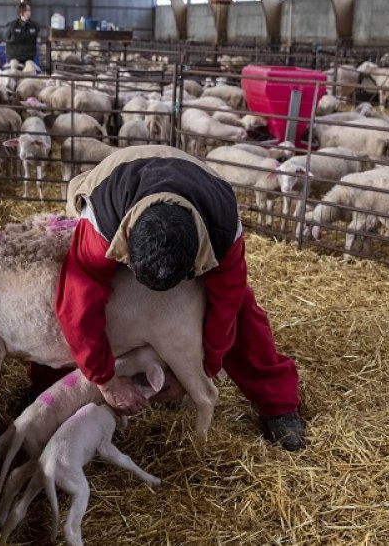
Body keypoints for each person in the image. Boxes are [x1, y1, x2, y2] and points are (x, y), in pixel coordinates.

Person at [28, 145, 306, 451]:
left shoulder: (223, 231)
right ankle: (46, 391)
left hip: (193, 195)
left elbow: (225, 307)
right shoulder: (100, 226)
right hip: (111, 186)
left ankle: (277, 403)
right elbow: (76, 305)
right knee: (63, 293)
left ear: (196, 259)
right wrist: (104, 379)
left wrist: (202, 368)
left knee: (241, 308)